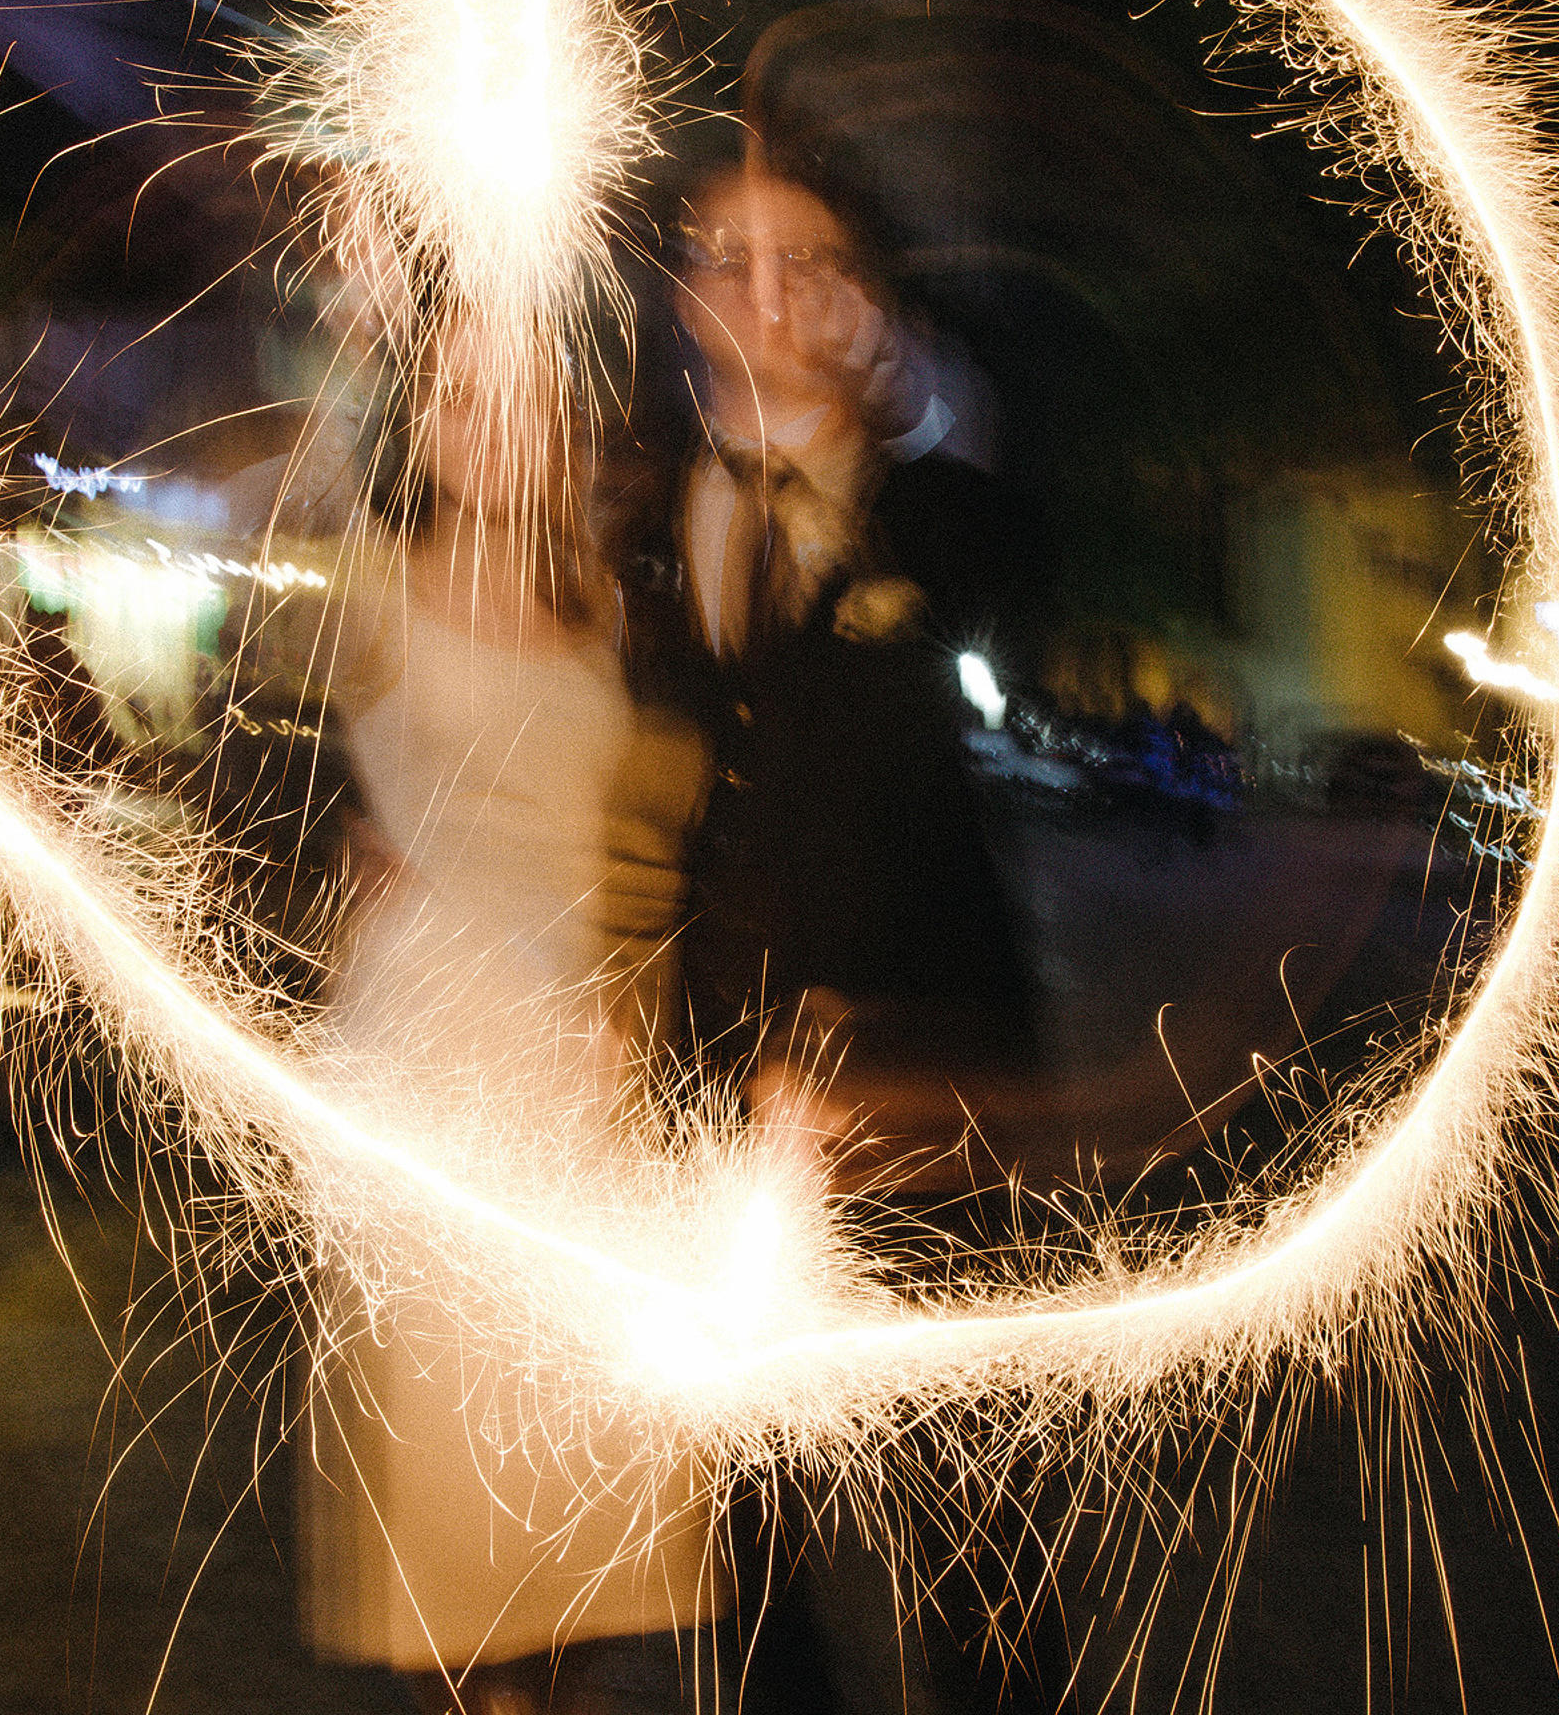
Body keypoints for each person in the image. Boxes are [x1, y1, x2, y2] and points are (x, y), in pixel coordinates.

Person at [294, 286, 726, 1715]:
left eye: (522, 397)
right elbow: (239, 751)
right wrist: (323, 869)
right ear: (421, 421)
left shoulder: (606, 595)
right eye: (461, 396)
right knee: (459, 1488)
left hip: (581, 1069)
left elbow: (651, 823)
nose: (493, 426)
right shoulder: (366, 581)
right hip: (430, 1065)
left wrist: (636, 1004)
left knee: (590, 1485)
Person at [614, 156, 1040, 1181]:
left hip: (904, 1104)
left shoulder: (945, 519)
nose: (763, 287)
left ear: (861, 295)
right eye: (725, 256)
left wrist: (899, 399)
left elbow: (1021, 606)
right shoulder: (628, 521)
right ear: (681, 296)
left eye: (802, 259)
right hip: (687, 1104)